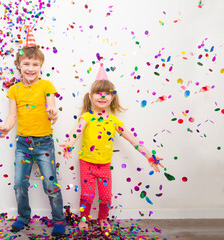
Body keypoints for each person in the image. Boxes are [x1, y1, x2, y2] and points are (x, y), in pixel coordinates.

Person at [60, 63, 164, 233]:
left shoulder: (114, 121)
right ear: (91, 96)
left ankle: (103, 218)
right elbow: (76, 131)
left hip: (105, 165)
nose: (103, 96)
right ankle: (84, 218)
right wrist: (69, 143)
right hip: (87, 163)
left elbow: (133, 139)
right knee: (87, 196)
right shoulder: (87, 117)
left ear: (112, 97)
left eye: (107, 93)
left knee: (106, 197)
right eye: (98, 93)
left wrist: (149, 156)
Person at [0, 27, 66, 237]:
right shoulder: (14, 89)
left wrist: (52, 113)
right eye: (26, 64)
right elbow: (12, 116)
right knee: (18, 183)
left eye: (35, 64)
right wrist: (5, 127)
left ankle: (59, 220)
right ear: (19, 66)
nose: (31, 68)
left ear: (40, 65)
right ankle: (23, 216)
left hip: (44, 143)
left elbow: (52, 108)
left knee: (51, 184)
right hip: (23, 144)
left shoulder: (47, 85)